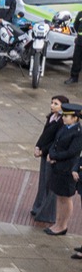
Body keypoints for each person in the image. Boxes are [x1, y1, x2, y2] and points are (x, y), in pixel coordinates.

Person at [45, 103, 82, 235]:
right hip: (58, 167)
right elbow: (55, 142)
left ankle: (63, 225)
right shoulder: (65, 128)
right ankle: (58, 222)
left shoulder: (78, 133)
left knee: (65, 198)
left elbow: (71, 152)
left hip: (67, 169)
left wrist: (54, 156)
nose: (64, 118)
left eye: (67, 116)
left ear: (76, 118)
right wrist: (50, 152)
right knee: (59, 196)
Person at [32, 96, 69, 228]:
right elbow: (44, 135)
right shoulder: (51, 118)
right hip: (44, 153)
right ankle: (38, 206)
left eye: (56, 104)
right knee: (43, 181)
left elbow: (55, 141)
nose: (52, 105)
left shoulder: (61, 123)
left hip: (51, 155)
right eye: (52, 103)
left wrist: (43, 151)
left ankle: (47, 213)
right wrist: (37, 146)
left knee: (49, 184)